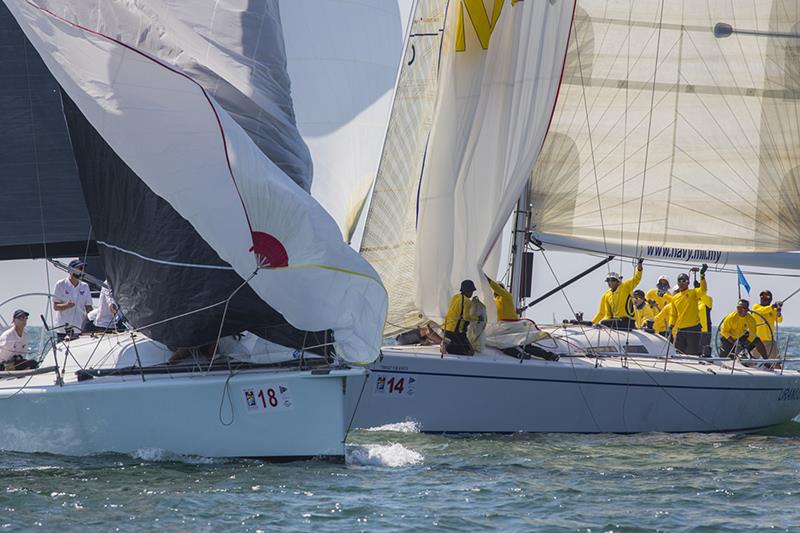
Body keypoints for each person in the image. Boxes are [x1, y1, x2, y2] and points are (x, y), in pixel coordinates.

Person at [591, 258, 643, 330]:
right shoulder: (606, 295)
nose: (610, 282)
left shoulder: (625, 286)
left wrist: (639, 267)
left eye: (613, 280)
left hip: (628, 322)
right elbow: (601, 313)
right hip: (616, 322)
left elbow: (637, 278)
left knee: (603, 323)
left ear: (618, 282)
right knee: (603, 323)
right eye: (608, 281)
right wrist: (592, 323)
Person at [669, 264, 708, 354]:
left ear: (688, 282)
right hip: (680, 330)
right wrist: (671, 325)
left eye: (684, 281)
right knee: (678, 354)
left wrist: (702, 275)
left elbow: (703, 289)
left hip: (693, 329)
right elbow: (673, 314)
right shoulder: (674, 298)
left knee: (692, 354)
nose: (681, 283)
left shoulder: (693, 292)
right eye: (679, 281)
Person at [52, 259, 93, 338]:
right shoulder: (61, 284)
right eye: (79, 268)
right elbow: (55, 306)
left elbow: (88, 307)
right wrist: (67, 305)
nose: (82, 271)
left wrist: (93, 321)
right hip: (63, 328)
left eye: (82, 269)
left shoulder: (85, 286)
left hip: (80, 328)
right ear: (70, 270)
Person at [442, 280, 478, 355]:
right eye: (471, 291)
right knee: (469, 352)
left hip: (445, 328)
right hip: (455, 331)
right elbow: (466, 317)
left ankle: (447, 343)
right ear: (467, 291)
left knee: (465, 348)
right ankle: (445, 347)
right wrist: (477, 318)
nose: (472, 293)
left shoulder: (455, 297)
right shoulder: (467, 301)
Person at [752, 290, 783, 360]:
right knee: (750, 362)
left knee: (776, 362)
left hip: (769, 340)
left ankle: (775, 369)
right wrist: (772, 306)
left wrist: (778, 312)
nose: (764, 298)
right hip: (757, 341)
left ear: (770, 299)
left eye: (766, 296)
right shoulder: (756, 307)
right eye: (762, 296)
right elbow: (762, 311)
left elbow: (779, 320)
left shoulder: (773, 310)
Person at [696, 281, 713, 357]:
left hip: (705, 329)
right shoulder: (694, 300)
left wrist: (699, 289)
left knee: (704, 349)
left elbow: (702, 294)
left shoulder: (708, 299)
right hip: (695, 328)